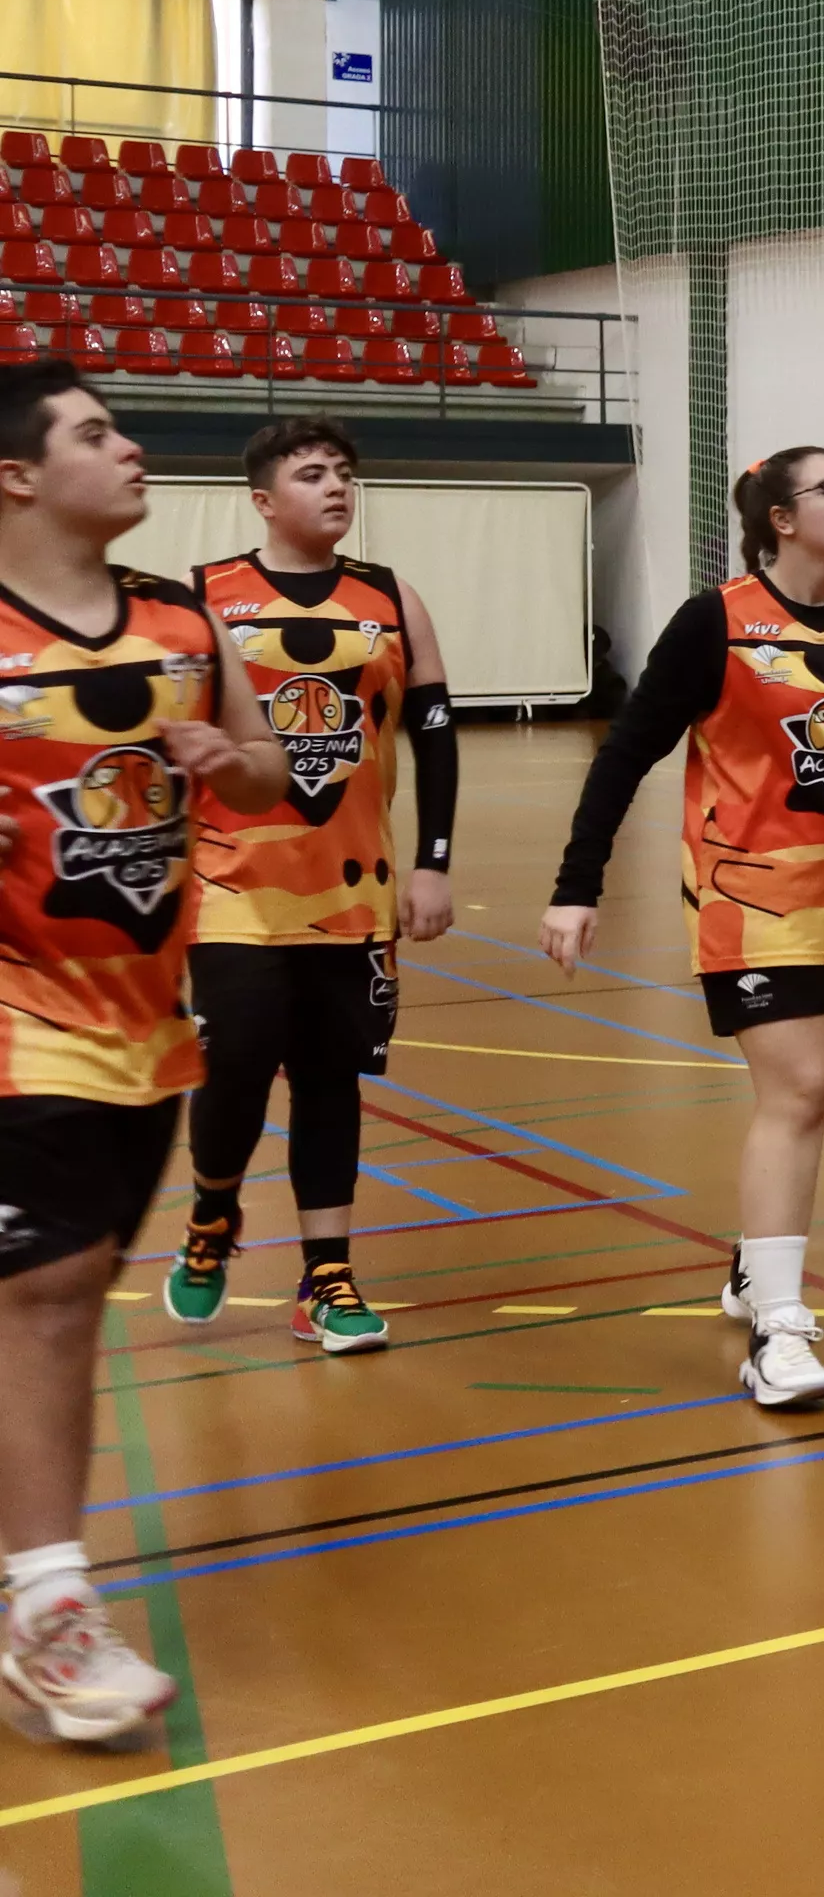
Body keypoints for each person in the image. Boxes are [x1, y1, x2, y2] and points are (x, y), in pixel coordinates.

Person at [542, 448, 824, 1411]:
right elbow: (627, 753)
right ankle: (778, 1331)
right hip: (748, 900)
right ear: (780, 518)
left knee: (809, 1100)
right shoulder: (716, 622)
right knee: (801, 1088)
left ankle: (752, 1265)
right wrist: (577, 885)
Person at [0, 362, 286, 1745]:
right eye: (95, 432)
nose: (129, 448)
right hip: (13, 1013)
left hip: (148, 1018)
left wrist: (222, 760)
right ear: (15, 473)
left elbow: (274, 773)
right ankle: (51, 1613)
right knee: (50, 1292)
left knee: (62, 1293)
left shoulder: (182, 618)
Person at [163, 417, 459, 1354]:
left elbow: (435, 736)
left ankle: (325, 1277)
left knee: (333, 1079)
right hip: (231, 883)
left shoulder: (390, 598)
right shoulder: (204, 596)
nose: (336, 486)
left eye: (344, 473)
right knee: (239, 1058)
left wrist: (434, 861)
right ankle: (213, 1211)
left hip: (352, 892)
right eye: (312, 473)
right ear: (263, 499)